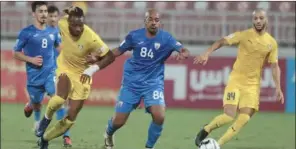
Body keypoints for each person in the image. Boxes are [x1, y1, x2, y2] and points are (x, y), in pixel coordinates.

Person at [98, 8, 189, 149]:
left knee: (159, 116)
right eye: (150, 20)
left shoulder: (167, 38)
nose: (154, 23)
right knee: (119, 121)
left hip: (152, 83)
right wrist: (99, 58)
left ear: (160, 23)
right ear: (145, 21)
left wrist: (183, 54)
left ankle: (149, 147)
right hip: (131, 83)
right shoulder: (134, 36)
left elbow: (184, 50)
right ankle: (108, 133)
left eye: (157, 20)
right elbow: (118, 51)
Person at [194, 8, 284, 147]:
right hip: (235, 81)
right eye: (255, 18)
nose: (258, 21)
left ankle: (218, 144)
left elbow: (274, 66)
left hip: (252, 86)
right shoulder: (244, 35)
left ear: (266, 20)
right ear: (252, 20)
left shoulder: (271, 43)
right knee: (228, 115)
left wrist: (278, 87)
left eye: (261, 18)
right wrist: (207, 53)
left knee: (244, 118)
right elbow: (222, 41)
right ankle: (205, 131)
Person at [36, 6, 115, 149]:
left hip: (83, 75)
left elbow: (110, 56)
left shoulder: (91, 38)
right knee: (60, 98)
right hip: (65, 68)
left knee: (71, 118)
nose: (78, 29)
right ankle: (46, 119)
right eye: (75, 25)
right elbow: (61, 17)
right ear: (69, 23)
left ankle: (45, 138)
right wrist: (69, 11)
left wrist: (93, 66)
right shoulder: (62, 23)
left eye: (81, 25)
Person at [13, 0, 60, 141]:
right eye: (41, 11)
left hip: (50, 72)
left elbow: (59, 48)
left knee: (56, 97)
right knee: (37, 106)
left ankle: (44, 124)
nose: (44, 14)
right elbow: (16, 53)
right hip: (34, 77)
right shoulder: (26, 33)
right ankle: (31, 105)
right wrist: (31, 60)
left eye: (46, 11)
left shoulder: (53, 31)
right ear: (34, 14)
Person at [46, 5, 72, 147]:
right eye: (51, 16)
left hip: (63, 70)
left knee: (63, 102)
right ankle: (66, 135)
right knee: (60, 101)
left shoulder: (62, 31)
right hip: (50, 72)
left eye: (56, 16)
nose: (53, 19)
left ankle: (65, 135)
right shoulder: (44, 33)